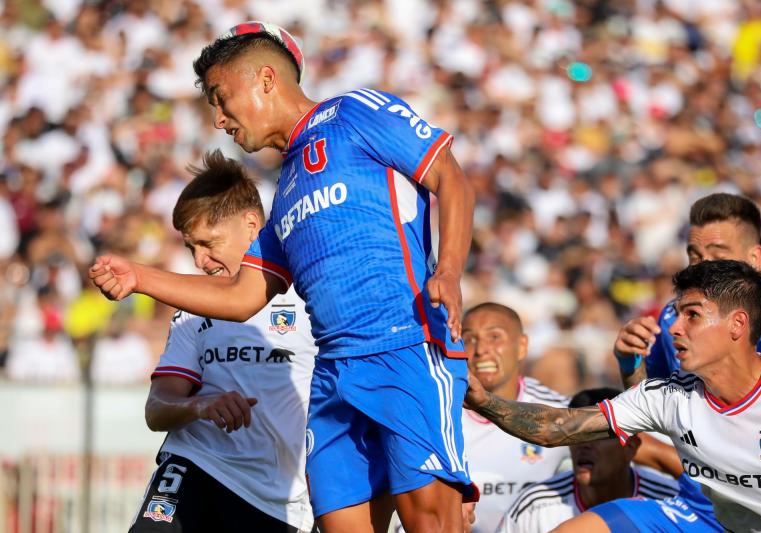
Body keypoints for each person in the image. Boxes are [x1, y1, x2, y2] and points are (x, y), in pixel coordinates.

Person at [91, 22, 476, 533]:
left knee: (431, 524)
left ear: (266, 80)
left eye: (221, 98)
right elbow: (242, 295)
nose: (218, 119)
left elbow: (449, 177)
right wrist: (139, 276)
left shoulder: (354, 112)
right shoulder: (287, 189)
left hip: (403, 347)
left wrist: (448, 270)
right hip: (334, 376)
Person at [466, 260, 761, 531]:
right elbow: (556, 427)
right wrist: (484, 402)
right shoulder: (669, 396)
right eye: (678, 313)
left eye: (692, 315)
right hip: (704, 521)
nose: (674, 327)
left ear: (737, 325)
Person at [129, 151, 315, 533]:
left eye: (208, 243)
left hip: (279, 496)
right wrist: (199, 405)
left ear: (251, 225)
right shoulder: (193, 308)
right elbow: (157, 408)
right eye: (190, 248)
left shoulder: (311, 294)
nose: (200, 261)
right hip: (198, 463)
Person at [614, 193, 761, 390]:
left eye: (718, 255)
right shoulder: (671, 318)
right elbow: (650, 408)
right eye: (694, 256)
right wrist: (630, 363)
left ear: (754, 258)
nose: (703, 265)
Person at [497, 388, 680, 533]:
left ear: (631, 447)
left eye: (595, 435)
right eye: (575, 437)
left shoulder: (667, 503)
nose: (583, 445)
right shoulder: (534, 506)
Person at [460, 303, 570, 532]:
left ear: (522, 346)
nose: (481, 350)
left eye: (494, 337)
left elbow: (625, 448)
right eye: (469, 339)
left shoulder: (556, 411)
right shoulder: (439, 414)